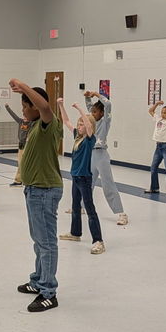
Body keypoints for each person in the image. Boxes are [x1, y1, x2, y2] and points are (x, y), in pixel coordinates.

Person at [10, 79, 63, 312]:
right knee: (39, 240)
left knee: (47, 242)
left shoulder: (47, 123)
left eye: (24, 106)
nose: (23, 110)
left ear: (33, 105)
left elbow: (45, 108)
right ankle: (38, 280)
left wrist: (23, 86)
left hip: (45, 190)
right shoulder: (33, 126)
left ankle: (48, 292)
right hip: (34, 189)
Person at [58, 99, 105, 254]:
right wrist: (61, 105)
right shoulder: (77, 137)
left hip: (85, 179)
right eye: (78, 124)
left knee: (90, 209)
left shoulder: (90, 140)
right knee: (75, 206)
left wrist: (80, 109)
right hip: (75, 177)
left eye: (82, 124)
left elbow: (90, 126)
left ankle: (98, 241)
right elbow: (65, 120)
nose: (79, 126)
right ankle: (75, 233)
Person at [84, 90, 128, 225]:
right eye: (92, 112)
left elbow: (108, 105)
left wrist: (97, 94)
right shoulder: (92, 121)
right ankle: (81, 206)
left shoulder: (105, 122)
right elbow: (89, 107)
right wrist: (87, 97)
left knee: (107, 184)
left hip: (101, 155)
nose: (92, 114)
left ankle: (121, 213)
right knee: (87, 182)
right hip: (91, 155)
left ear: (102, 113)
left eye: (95, 112)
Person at [4, 103, 31, 187]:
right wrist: (7, 107)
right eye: (24, 116)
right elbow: (13, 115)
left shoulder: (31, 123)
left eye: (27, 116)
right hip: (21, 145)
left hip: (27, 145)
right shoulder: (20, 121)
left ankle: (22, 180)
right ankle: (19, 180)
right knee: (20, 163)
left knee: (24, 163)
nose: (25, 117)